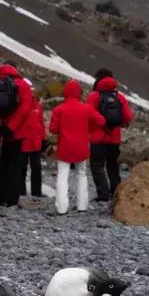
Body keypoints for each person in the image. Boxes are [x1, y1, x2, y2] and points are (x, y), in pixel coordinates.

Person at [49, 80, 105, 215]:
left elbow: (53, 129)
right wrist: (89, 129)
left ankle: (61, 207)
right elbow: (101, 121)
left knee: (63, 175)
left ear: (65, 93)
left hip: (65, 147)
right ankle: (82, 205)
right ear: (79, 93)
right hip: (81, 147)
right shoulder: (86, 108)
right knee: (81, 174)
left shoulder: (59, 109)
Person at [0, 63, 35, 207]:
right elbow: (25, 109)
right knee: (14, 165)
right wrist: (11, 126)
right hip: (15, 133)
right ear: (15, 70)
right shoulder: (23, 85)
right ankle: (12, 199)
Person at [87, 69, 133, 202]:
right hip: (114, 139)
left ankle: (103, 194)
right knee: (112, 166)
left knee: (97, 165)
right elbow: (128, 117)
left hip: (97, 138)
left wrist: (99, 122)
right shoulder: (119, 97)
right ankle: (116, 193)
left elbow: (88, 114)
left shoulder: (94, 96)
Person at [18, 79, 45, 198]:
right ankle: (21, 191)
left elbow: (40, 122)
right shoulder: (19, 105)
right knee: (21, 168)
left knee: (36, 168)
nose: (31, 92)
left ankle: (36, 192)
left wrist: (43, 137)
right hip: (23, 141)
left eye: (32, 90)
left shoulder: (37, 105)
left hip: (35, 142)